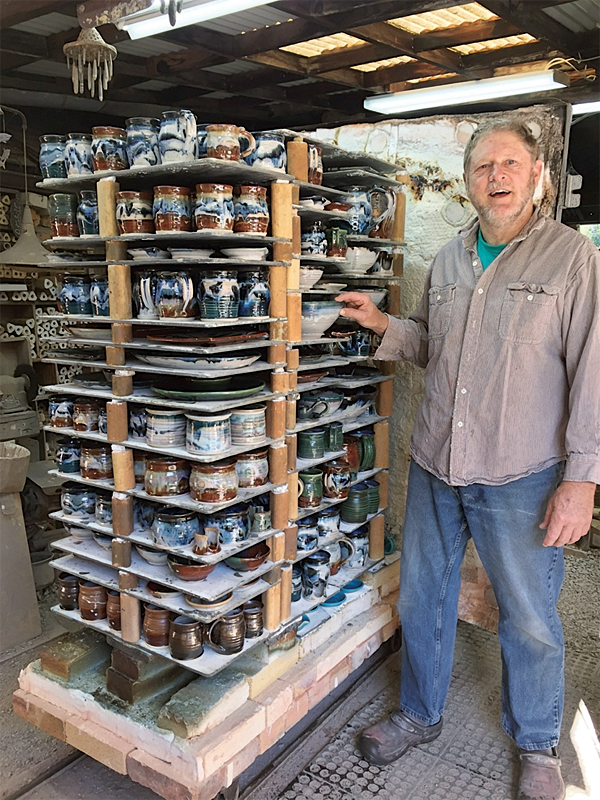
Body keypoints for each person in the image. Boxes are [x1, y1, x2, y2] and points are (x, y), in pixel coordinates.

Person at [335, 116, 599, 800]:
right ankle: (419, 714)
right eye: (483, 168)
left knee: (530, 614)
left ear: (537, 176)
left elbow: (593, 374)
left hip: (522, 472)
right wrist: (383, 325)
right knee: (424, 595)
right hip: (435, 463)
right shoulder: (450, 258)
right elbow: (430, 342)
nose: (497, 178)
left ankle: (538, 745)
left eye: (510, 165)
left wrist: (583, 479)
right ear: (467, 183)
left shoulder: (572, 260)